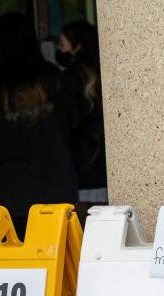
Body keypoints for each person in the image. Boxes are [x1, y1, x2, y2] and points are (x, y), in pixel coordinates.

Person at [0, 12, 77, 237]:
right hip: (55, 188)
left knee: (14, 268)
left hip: (5, 194)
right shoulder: (53, 78)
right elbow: (70, 128)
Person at [57, 20, 107, 217]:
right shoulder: (102, 70)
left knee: (84, 218)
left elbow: (67, 120)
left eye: (62, 44)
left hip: (82, 159)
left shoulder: (71, 76)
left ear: (77, 45)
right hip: (101, 157)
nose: (59, 50)